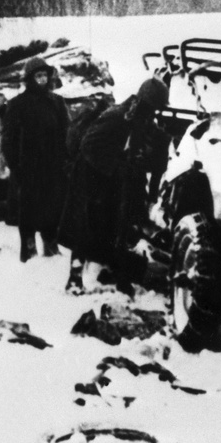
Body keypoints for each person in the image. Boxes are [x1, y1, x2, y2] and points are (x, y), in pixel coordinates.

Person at [58, 76, 171, 294]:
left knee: (107, 230)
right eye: (152, 108)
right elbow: (88, 145)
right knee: (84, 229)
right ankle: (74, 280)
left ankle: (110, 275)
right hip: (90, 180)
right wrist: (117, 166)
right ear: (144, 103)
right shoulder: (117, 116)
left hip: (108, 182)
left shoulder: (140, 121)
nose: (153, 114)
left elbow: (142, 157)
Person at [2, 56, 70, 262]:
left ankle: (50, 245)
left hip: (53, 166)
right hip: (28, 167)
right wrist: (15, 166)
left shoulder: (57, 102)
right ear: (30, 79)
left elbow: (66, 133)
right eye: (38, 76)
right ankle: (29, 249)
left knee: (53, 207)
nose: (42, 79)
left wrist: (65, 160)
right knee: (28, 210)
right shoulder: (18, 105)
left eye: (44, 75)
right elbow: (8, 139)